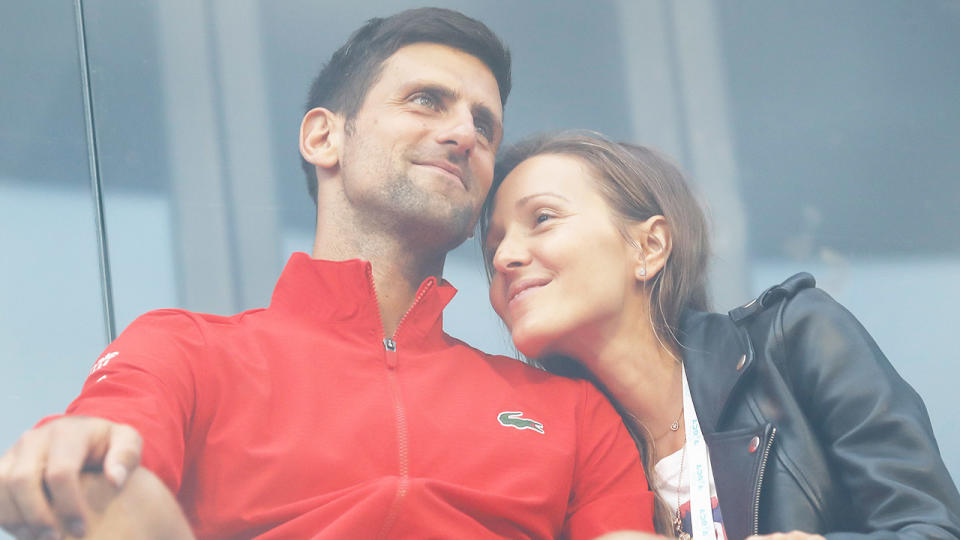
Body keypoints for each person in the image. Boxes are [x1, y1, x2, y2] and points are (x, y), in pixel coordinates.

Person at [0, 11, 657, 540]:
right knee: (96, 481)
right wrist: (75, 451)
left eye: (484, 125)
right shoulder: (187, 352)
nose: (464, 134)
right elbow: (113, 453)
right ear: (323, 138)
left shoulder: (570, 414)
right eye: (427, 101)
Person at [481, 131, 960, 540]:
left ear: (649, 246)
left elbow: (932, 526)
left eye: (542, 218)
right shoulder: (559, 447)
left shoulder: (794, 336)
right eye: (494, 245)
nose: (505, 257)